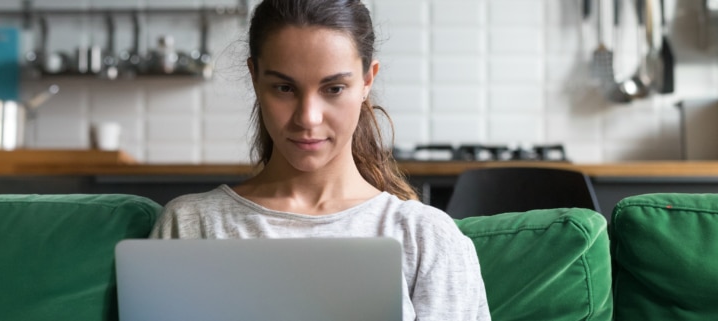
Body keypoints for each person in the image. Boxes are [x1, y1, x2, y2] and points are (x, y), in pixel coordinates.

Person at [149, 0, 491, 320]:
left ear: (367, 80)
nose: (308, 118)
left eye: (334, 89)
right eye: (284, 88)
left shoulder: (426, 237)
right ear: (255, 77)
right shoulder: (191, 225)